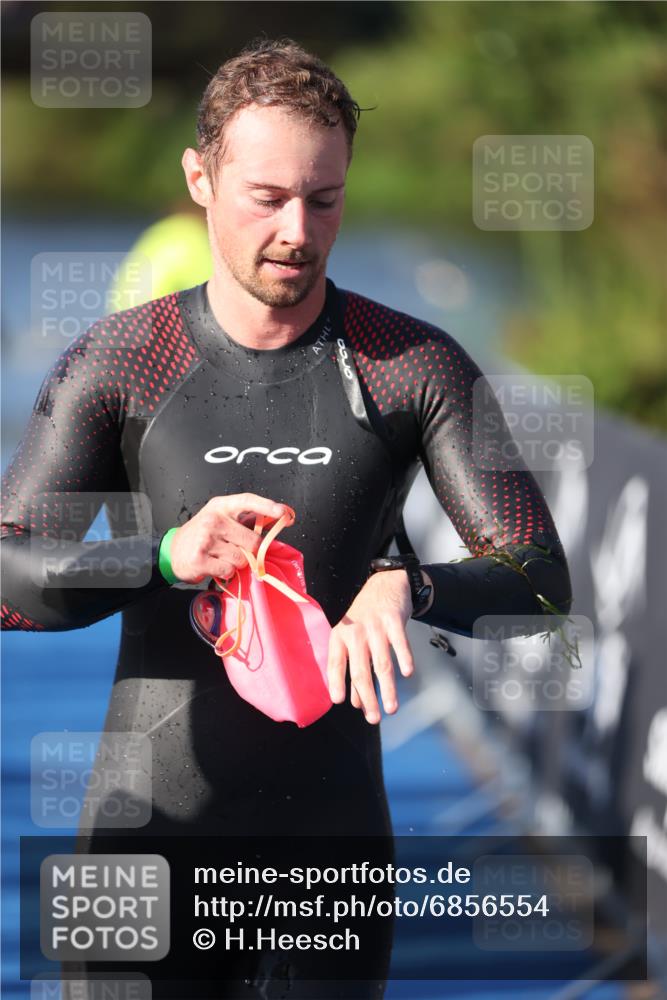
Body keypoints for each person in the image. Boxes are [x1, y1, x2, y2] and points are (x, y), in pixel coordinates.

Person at [2, 38, 571, 999]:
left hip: (328, 848)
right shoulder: (122, 362)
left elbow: (538, 576)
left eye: (324, 198)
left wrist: (408, 584)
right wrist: (165, 556)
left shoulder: (410, 364)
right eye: (266, 197)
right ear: (200, 179)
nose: (296, 230)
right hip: (145, 841)